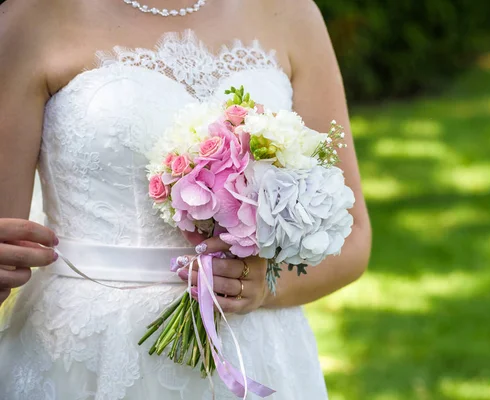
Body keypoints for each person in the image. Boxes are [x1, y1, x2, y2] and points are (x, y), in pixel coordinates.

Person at [0, 0, 372, 398]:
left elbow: (353, 238)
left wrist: (265, 288)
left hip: (253, 350)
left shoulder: (290, 13)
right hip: (86, 353)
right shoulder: (32, 16)